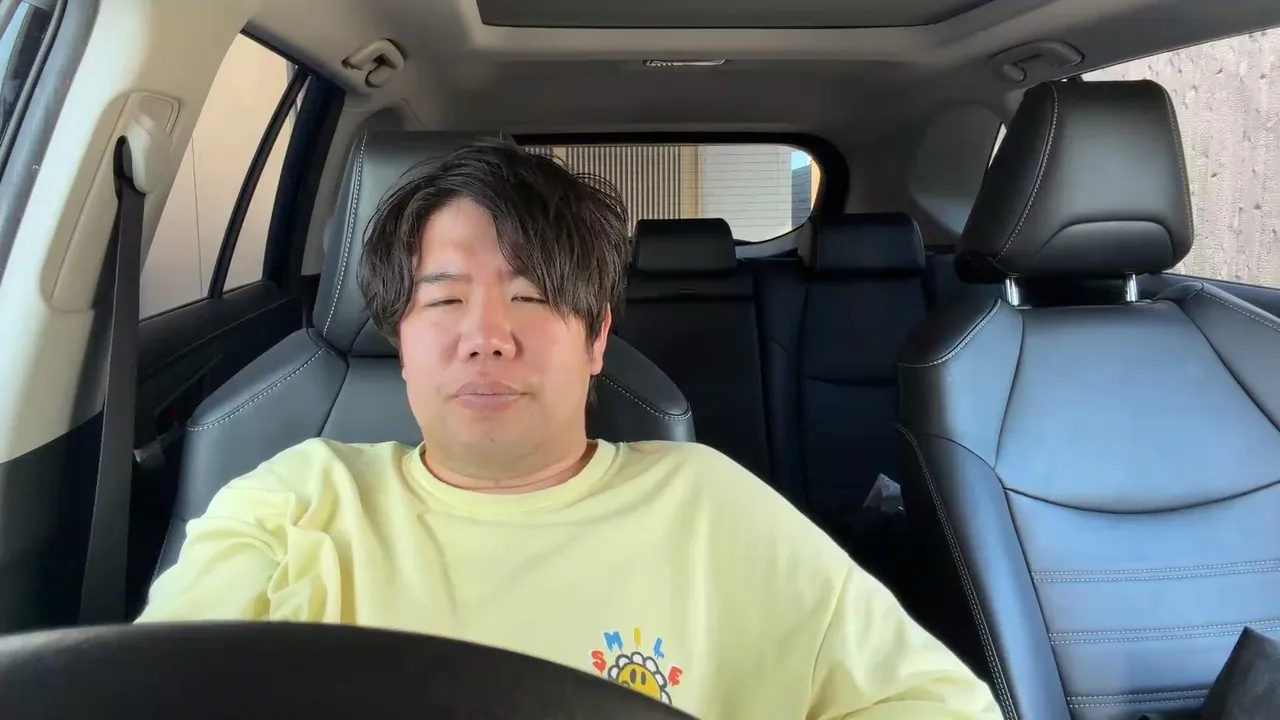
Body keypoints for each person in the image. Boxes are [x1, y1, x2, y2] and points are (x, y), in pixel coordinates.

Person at [138, 140, 999, 719]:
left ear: (595, 341)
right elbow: (151, 691)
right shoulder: (294, 501)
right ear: (400, 342)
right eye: (443, 300)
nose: (486, 335)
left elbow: (932, 703)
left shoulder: (712, 505)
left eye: (530, 296)